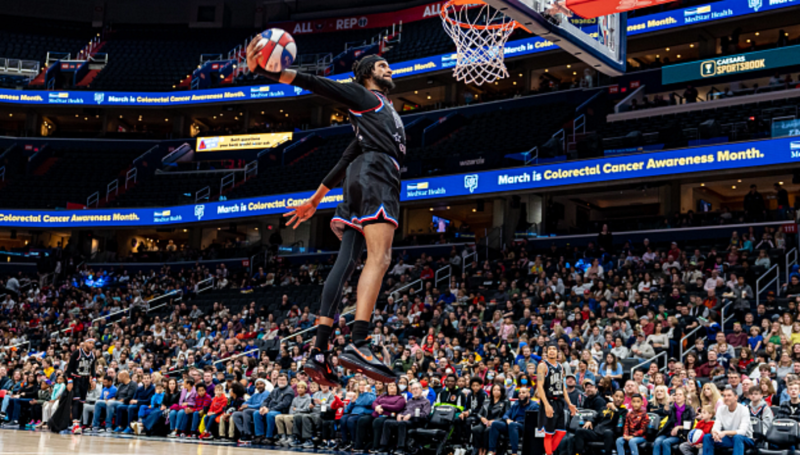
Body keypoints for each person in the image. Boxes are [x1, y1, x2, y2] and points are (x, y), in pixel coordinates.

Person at [246, 39, 405, 386]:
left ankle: (319, 350)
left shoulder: (380, 114)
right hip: (378, 174)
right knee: (380, 258)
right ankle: (359, 343)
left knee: (347, 260)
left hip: (357, 176)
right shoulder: (368, 97)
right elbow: (319, 84)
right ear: (366, 75)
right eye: (381, 66)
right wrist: (268, 70)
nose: (388, 69)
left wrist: (316, 198)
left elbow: (348, 155)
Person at [537, 343, 578, 455]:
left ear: (558, 352)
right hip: (549, 401)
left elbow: (562, 386)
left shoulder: (560, 366)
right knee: (549, 433)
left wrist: (569, 403)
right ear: (546, 352)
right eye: (549, 349)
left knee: (561, 431)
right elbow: (539, 385)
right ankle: (549, 453)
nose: (551, 351)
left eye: (554, 349)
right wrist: (546, 405)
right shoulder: (542, 366)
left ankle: (548, 452)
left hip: (559, 402)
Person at [381, 381, 431, 453]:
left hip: (416, 422)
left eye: (417, 388)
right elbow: (403, 410)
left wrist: (411, 415)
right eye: (413, 389)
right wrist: (400, 414)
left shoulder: (426, 402)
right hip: (404, 420)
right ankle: (384, 446)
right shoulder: (409, 401)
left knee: (402, 423)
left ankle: (401, 447)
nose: (415, 390)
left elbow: (425, 414)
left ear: (421, 389)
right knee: (387, 422)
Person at [702, 387, 753, 455]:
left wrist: (725, 432)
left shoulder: (744, 409)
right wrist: (715, 433)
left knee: (737, 437)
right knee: (707, 437)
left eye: (729, 395)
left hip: (745, 439)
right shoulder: (720, 409)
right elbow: (716, 426)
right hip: (729, 439)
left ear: (736, 397)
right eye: (724, 396)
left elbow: (742, 432)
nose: (726, 398)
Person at [487, 386, 537, 455]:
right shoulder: (516, 404)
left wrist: (516, 422)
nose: (521, 394)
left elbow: (532, 420)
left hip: (525, 427)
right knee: (495, 423)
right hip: (512, 426)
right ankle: (491, 451)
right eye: (519, 393)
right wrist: (507, 419)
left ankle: (514, 452)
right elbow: (506, 414)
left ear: (528, 394)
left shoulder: (534, 405)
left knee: (513, 425)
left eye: (523, 392)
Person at [653, 387, 695, 455]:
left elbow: (689, 425)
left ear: (684, 397)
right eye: (676, 394)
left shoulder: (689, 409)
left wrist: (678, 427)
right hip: (668, 432)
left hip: (681, 434)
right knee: (657, 441)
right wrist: (667, 402)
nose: (678, 396)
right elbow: (666, 412)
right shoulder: (672, 407)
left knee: (666, 442)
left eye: (680, 394)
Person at [472, 383, 509, 455]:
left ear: (502, 391)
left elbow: (506, 415)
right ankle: (479, 449)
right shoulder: (487, 400)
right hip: (485, 422)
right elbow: (479, 413)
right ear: (492, 391)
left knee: (487, 430)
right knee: (475, 429)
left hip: (496, 423)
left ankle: (485, 450)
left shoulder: (505, 402)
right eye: (494, 389)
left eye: (498, 390)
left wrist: (495, 421)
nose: (496, 391)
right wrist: (482, 418)